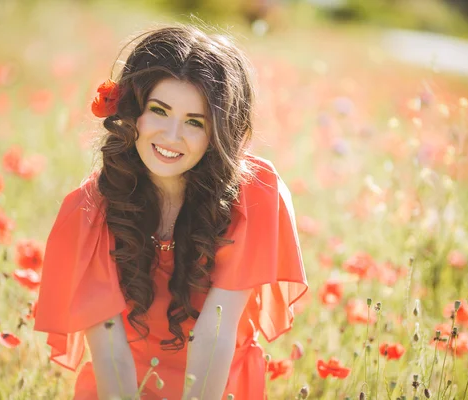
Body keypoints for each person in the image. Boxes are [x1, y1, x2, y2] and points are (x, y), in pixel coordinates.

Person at [33, 24, 308, 400]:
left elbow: (217, 329)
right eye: (159, 111)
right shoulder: (89, 213)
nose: (171, 136)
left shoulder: (255, 195)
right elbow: (110, 349)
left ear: (218, 133)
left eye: (195, 122)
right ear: (132, 112)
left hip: (218, 386)